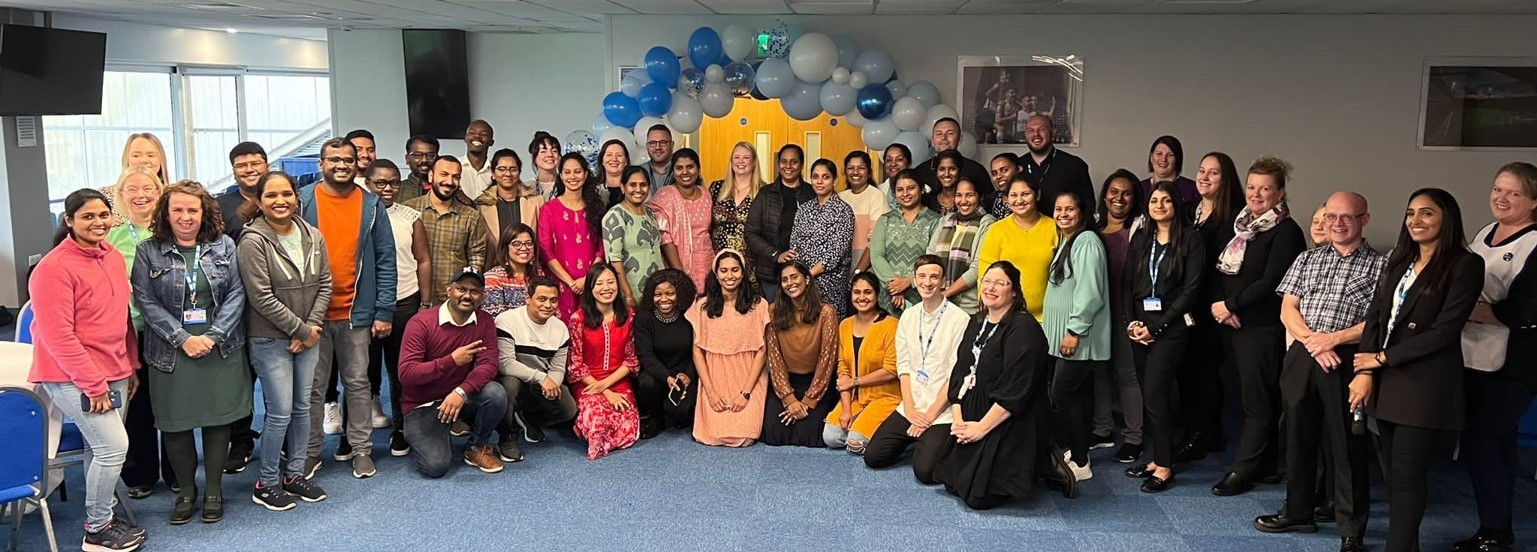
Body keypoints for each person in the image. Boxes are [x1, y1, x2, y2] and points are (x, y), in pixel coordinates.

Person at [1351, 188, 1482, 552]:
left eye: (1427, 213)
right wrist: (1365, 370)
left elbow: (1445, 331)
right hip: (1387, 381)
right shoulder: (1398, 261)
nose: (1416, 221)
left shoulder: (1464, 265)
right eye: (1411, 213)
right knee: (1394, 476)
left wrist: (1381, 360)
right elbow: (1375, 317)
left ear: (1447, 219)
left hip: (1424, 384)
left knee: (1407, 476)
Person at [1253, 191, 1384, 552]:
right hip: (1303, 356)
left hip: (1347, 361)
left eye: (1347, 217)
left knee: (1346, 446)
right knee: (1296, 437)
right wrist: (1314, 342)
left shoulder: (1382, 266)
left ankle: (1351, 530)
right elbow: (1288, 308)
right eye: (1331, 216)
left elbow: (1379, 321)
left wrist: (1332, 340)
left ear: (1364, 220)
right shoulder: (1307, 259)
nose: (1337, 223)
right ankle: (1298, 511)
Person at [30, 189, 148, 551]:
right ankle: (97, 529)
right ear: (69, 221)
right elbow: (58, 336)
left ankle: (106, 515)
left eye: (103, 216)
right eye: (87, 217)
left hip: (113, 367)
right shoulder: (52, 268)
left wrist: (130, 364)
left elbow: (121, 317)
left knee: (98, 448)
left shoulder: (111, 256)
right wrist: (93, 385)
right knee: (114, 448)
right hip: (72, 374)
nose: (97, 223)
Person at [131, 181, 251, 524]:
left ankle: (214, 490)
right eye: (178, 210)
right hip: (170, 352)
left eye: (192, 210)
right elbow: (146, 301)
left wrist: (212, 336)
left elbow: (237, 295)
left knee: (218, 420)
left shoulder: (224, 245)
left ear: (204, 213)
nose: (186, 217)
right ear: (166, 214)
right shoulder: (147, 251)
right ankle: (186, 490)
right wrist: (182, 338)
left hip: (220, 347)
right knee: (175, 424)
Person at [932, 262, 1076, 509]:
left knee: (978, 498)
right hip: (974, 408)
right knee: (948, 482)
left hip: (1011, 414)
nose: (991, 287)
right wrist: (958, 419)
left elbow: (1016, 390)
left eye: (1000, 283)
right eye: (987, 281)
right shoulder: (976, 321)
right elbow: (960, 372)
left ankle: (1045, 460)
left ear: (1014, 292)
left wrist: (980, 429)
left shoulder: (1025, 329)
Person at [298, 138, 397, 480]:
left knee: (357, 384)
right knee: (312, 389)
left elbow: (386, 259)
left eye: (348, 160)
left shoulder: (371, 206)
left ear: (358, 165)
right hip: (312, 316)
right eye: (333, 160)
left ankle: (361, 450)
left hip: (356, 313)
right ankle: (310, 453)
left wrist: (384, 310)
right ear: (321, 163)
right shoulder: (303, 200)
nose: (341, 165)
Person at [235, 171, 333, 510]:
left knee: (303, 408)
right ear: (259, 201)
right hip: (270, 339)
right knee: (279, 413)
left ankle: (294, 474)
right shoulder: (252, 241)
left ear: (297, 196)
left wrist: (311, 327)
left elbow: (325, 283)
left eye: (287, 194)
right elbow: (260, 297)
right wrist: (302, 331)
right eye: (272, 195)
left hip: (309, 335)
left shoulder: (312, 234)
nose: (281, 201)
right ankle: (266, 481)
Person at [1210, 156, 1307, 497]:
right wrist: (1222, 307)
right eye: (1252, 187)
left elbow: (1272, 282)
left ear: (1279, 193)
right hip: (1233, 323)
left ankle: (1244, 470)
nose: (1256, 194)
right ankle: (1265, 465)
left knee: (1258, 402)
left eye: (1265, 189)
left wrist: (1231, 305)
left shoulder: (1286, 232)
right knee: (1250, 396)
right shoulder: (1239, 226)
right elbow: (1221, 272)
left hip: (1262, 327)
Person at [1454, 162, 1537, 552]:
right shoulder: (1487, 232)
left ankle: (1494, 532)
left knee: (1484, 442)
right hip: (1474, 355)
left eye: (1514, 193)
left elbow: (1526, 313)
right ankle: (1497, 525)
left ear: (1534, 201)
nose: (1501, 199)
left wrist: (1465, 308)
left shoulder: (1534, 244)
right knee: (1494, 443)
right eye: (1497, 189)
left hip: (1513, 364)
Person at [1122, 182, 1206, 493]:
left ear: (1176, 205)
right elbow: (1127, 285)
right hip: (1140, 324)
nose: (1159, 205)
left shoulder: (1191, 240)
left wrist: (1156, 329)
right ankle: (1158, 458)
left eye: (1166, 200)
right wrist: (1132, 324)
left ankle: (1165, 465)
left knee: (1157, 394)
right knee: (1149, 395)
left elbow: (1191, 291)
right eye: (1154, 200)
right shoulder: (1142, 238)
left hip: (1172, 327)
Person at [103, 168, 178, 498]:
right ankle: (141, 475)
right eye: (131, 188)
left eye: (147, 187)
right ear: (120, 195)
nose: (140, 194)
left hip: (170, 329)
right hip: (127, 330)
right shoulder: (110, 235)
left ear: (159, 192)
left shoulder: (172, 230)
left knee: (174, 402)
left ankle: (178, 471)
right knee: (137, 401)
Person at [864, 255, 969, 482]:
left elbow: (955, 375)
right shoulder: (909, 316)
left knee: (925, 472)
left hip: (941, 410)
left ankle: (931, 440)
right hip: (912, 404)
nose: (927, 282)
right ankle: (921, 439)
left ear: (943, 281)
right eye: (922, 276)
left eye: (934, 277)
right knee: (873, 457)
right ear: (914, 279)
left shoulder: (959, 319)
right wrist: (910, 410)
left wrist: (928, 418)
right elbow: (904, 366)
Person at [397, 267, 508, 477]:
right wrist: (451, 361)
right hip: (423, 404)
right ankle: (436, 431)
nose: (467, 295)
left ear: (482, 296)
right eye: (461, 289)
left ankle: (476, 447)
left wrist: (461, 392)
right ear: (449, 290)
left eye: (475, 291)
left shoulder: (484, 321)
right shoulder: (421, 323)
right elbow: (406, 373)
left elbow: (488, 365)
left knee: (495, 393)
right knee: (436, 467)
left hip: (459, 397)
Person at [1176, 152, 1243, 463]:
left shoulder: (1234, 218)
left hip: (1212, 305)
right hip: (1185, 302)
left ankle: (1204, 435)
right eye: (1201, 171)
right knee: (1186, 370)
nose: (1204, 177)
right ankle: (1193, 430)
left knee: (1204, 373)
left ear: (1225, 178)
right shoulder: (1189, 211)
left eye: (1213, 173)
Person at [362, 159, 430, 457]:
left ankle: (401, 428)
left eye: (393, 183)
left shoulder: (410, 216)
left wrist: (424, 303)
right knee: (361, 371)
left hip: (405, 300)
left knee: (401, 370)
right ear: (368, 183)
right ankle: (355, 435)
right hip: (364, 304)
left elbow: (423, 260)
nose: (388, 188)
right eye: (381, 183)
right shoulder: (359, 215)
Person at [1042, 191, 1110, 482]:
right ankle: (1079, 452)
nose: (1063, 214)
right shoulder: (1067, 242)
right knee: (1077, 397)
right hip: (1065, 336)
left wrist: (1074, 331)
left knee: (1062, 394)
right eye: (1058, 209)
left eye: (1070, 209)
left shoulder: (1087, 242)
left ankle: (1081, 461)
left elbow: (1090, 294)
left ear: (1083, 212)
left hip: (1078, 337)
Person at [688, 250, 772, 446]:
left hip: (748, 375)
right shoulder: (702, 306)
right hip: (714, 377)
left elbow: (762, 351)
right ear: (716, 275)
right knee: (710, 436)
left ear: (743, 273)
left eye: (735, 270)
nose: (729, 276)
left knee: (745, 438)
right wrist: (711, 392)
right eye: (724, 271)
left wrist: (745, 393)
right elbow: (697, 351)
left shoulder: (758, 305)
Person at [1092, 170, 1147, 463]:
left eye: (1126, 193)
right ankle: (1102, 430)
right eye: (1114, 191)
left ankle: (1134, 437)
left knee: (1127, 376)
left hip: (1125, 315)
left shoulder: (1138, 231)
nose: (1119, 198)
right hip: (1098, 316)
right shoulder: (1093, 230)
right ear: (1105, 195)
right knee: (1100, 374)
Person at [492, 276, 578, 461]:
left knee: (568, 408)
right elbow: (505, 363)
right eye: (542, 299)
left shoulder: (560, 329)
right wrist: (541, 378)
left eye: (553, 300)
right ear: (528, 299)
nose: (548, 305)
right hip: (513, 379)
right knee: (509, 386)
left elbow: (557, 369)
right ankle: (508, 437)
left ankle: (529, 419)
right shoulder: (507, 320)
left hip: (540, 384)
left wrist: (552, 384)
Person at [565, 264, 642, 460]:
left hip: (618, 380)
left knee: (629, 427)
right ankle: (592, 434)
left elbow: (631, 360)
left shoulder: (629, 316)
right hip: (587, 383)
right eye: (599, 283)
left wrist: (609, 386)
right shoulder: (578, 319)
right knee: (597, 418)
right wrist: (605, 392)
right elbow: (576, 365)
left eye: (611, 282)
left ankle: (603, 438)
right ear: (590, 289)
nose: (606, 288)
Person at [761, 261, 840, 447]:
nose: (790, 283)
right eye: (784, 280)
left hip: (817, 382)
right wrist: (789, 399)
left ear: (806, 279)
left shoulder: (826, 312)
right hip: (786, 381)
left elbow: (827, 360)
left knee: (810, 435)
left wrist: (807, 401)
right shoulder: (773, 311)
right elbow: (774, 358)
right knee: (774, 433)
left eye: (794, 277)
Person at [824, 272, 900, 453]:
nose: (862, 297)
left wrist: (856, 381)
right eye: (857, 292)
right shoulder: (845, 325)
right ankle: (860, 426)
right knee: (831, 437)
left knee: (855, 443)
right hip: (855, 397)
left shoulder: (891, 325)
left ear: (877, 295)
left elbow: (891, 370)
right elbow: (843, 369)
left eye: (868, 292)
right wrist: (846, 409)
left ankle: (886, 433)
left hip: (885, 396)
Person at [405, 155, 491, 308]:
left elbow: (476, 258)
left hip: (452, 302)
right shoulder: (409, 210)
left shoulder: (471, 216)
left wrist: (466, 293)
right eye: (444, 174)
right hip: (412, 298)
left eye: (456, 177)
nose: (450, 182)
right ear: (431, 176)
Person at [978, 176, 1058, 321]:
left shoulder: (1054, 228)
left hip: (1047, 318)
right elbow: (984, 274)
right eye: (1013, 195)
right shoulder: (997, 230)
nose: (1019, 200)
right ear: (1007, 199)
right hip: (1005, 317)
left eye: (1025, 194)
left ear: (1037, 195)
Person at [538, 152, 607, 319]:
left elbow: (602, 248)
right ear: (560, 176)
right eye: (567, 172)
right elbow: (546, 250)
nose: (572, 176)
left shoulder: (597, 208)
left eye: (577, 171)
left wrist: (587, 279)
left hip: (591, 283)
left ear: (585, 174)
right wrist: (570, 282)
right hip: (559, 285)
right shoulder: (548, 209)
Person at [634, 269, 699, 438]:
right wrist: (667, 378)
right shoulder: (644, 318)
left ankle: (673, 411)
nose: (664, 299)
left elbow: (698, 350)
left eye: (670, 293)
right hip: (657, 373)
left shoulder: (690, 315)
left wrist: (688, 375)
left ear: (680, 294)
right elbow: (645, 356)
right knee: (647, 384)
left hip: (685, 372)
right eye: (658, 294)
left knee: (680, 414)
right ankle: (656, 418)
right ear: (650, 295)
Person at [745, 144, 813, 301]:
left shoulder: (811, 193)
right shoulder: (766, 194)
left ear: (801, 164)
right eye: (784, 161)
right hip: (771, 273)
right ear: (778, 164)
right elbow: (750, 232)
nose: (788, 166)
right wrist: (776, 254)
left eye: (794, 162)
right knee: (775, 319)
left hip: (804, 272)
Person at [787, 159, 855, 316]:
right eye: (815, 176)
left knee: (828, 329)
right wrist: (799, 276)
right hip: (802, 281)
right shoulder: (804, 209)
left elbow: (835, 253)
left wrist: (807, 275)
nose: (819, 181)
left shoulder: (843, 211)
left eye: (825, 177)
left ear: (835, 180)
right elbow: (794, 244)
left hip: (830, 282)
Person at [869, 170, 942, 311]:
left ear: (921, 190)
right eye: (900, 190)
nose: (905, 193)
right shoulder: (886, 219)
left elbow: (933, 259)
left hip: (920, 293)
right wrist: (895, 286)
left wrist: (908, 282)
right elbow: (876, 255)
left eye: (911, 188)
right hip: (887, 295)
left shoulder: (935, 221)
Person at [650, 148, 716, 293]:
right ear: (673, 172)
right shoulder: (665, 196)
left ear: (698, 169)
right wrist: (680, 275)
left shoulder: (706, 194)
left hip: (708, 263)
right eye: (679, 168)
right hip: (680, 265)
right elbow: (665, 239)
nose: (685, 172)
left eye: (690, 167)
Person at [928, 176, 996, 315]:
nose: (963, 201)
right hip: (938, 301)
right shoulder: (946, 220)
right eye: (959, 195)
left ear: (980, 197)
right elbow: (930, 255)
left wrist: (946, 294)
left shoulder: (988, 223)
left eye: (969, 195)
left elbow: (977, 268)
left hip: (968, 307)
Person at [601, 166, 666, 309]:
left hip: (658, 290)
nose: (638, 189)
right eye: (632, 185)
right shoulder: (615, 216)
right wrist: (628, 295)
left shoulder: (650, 214)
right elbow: (614, 260)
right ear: (623, 187)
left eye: (643, 185)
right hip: (633, 291)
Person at [708, 142, 763, 287]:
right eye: (736, 157)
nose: (741, 161)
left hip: (751, 264)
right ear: (731, 161)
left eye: (746, 157)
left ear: (754, 162)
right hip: (720, 263)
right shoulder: (716, 188)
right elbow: (707, 225)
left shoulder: (764, 191)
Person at [1020, 115, 1095, 211]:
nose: (1036, 134)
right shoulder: (1017, 165)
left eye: (1042, 129)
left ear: (1053, 132)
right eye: (1031, 130)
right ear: (1025, 135)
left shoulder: (1075, 165)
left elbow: (1088, 207)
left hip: (1062, 225)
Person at [475, 149, 544, 245]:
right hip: (494, 260)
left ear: (519, 173)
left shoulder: (536, 202)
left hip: (528, 259)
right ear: (493, 173)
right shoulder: (481, 206)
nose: (508, 174)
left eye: (513, 169)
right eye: (502, 169)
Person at [840, 151, 890, 275]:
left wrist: (858, 272)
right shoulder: (840, 197)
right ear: (845, 172)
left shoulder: (876, 196)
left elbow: (875, 240)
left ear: (869, 173)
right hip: (841, 269)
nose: (855, 172)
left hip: (868, 269)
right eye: (850, 168)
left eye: (861, 168)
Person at [913, 118, 990, 195]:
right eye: (939, 134)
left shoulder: (976, 170)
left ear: (960, 139)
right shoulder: (920, 172)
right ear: (932, 140)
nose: (943, 138)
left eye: (950, 133)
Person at [482, 222, 540, 317]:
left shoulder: (539, 275)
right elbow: (495, 318)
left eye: (529, 244)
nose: (524, 248)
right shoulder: (492, 278)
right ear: (506, 248)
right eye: (516, 244)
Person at [218, 141, 269, 241]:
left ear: (267, 167)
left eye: (255, 164)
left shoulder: (284, 199)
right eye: (241, 166)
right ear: (233, 171)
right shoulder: (218, 206)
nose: (249, 170)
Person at [1139, 135, 1200, 209]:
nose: (1164, 159)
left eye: (1170, 155)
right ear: (1151, 157)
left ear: (1177, 160)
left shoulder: (1192, 189)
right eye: (1159, 154)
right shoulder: (1139, 189)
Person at [456, 120, 495, 200]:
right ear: (465, 138)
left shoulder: (497, 171)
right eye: (472, 133)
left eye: (484, 134)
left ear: (491, 142)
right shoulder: (454, 167)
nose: (477, 136)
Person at [924, 150, 965, 215]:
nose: (946, 174)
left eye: (952, 169)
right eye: (942, 169)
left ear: (959, 171)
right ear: (936, 172)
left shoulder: (966, 201)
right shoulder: (928, 201)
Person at [400, 134, 437, 202]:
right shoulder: (397, 190)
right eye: (417, 155)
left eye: (430, 155)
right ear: (407, 159)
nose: (424, 160)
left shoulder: (445, 188)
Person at [597, 139, 631, 209]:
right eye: (609, 155)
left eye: (619, 155)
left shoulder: (635, 187)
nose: (614, 159)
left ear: (626, 162)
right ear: (602, 161)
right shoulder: (593, 189)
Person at [528, 131, 561, 199]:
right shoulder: (526, 188)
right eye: (543, 151)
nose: (550, 155)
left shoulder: (568, 185)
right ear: (533, 157)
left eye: (554, 151)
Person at [987, 153, 1021, 218]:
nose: (998, 176)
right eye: (994, 173)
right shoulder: (990, 201)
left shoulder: (1029, 198)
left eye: (1004, 170)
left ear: (1019, 169)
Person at [879, 143, 911, 212]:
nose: (893, 164)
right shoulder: (878, 191)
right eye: (889, 160)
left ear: (909, 163)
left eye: (899, 159)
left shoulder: (923, 190)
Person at [642, 124, 675, 189]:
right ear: (647, 146)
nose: (657, 147)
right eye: (653, 143)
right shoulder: (638, 171)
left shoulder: (683, 170)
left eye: (663, 142)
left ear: (672, 145)